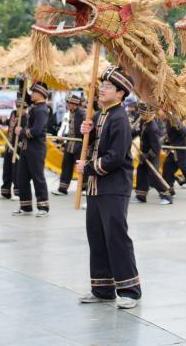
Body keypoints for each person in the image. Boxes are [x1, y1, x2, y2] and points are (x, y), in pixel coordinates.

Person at [76, 66, 141, 309]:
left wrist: (88, 167)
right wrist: (86, 132)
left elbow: (115, 157)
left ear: (121, 93)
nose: (101, 89)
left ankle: (130, 291)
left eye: (107, 86)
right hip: (96, 188)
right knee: (97, 237)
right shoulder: (100, 115)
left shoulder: (120, 118)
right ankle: (102, 289)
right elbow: (91, 144)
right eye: (101, 85)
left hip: (114, 187)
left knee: (116, 238)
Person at [13, 82, 51, 217]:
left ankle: (43, 207)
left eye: (34, 92)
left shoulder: (42, 109)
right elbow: (24, 97)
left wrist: (21, 131)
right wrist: (23, 83)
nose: (31, 94)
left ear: (40, 94)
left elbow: (36, 130)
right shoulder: (35, 107)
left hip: (36, 149)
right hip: (26, 149)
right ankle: (26, 206)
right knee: (22, 177)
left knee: (37, 177)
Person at [133, 103, 173, 205]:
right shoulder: (142, 121)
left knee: (154, 176)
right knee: (141, 173)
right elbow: (137, 132)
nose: (141, 116)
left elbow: (156, 148)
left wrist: (147, 155)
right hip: (143, 153)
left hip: (152, 155)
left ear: (149, 114)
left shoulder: (152, 128)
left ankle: (167, 196)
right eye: (141, 114)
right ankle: (141, 196)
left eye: (143, 114)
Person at [54, 94, 85, 195]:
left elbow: (82, 131)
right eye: (67, 103)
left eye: (69, 103)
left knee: (81, 166)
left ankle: (84, 188)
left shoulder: (82, 113)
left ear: (74, 104)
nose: (67, 105)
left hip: (79, 144)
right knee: (66, 166)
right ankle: (62, 188)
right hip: (70, 143)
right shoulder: (70, 113)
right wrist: (64, 136)